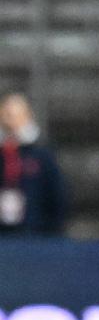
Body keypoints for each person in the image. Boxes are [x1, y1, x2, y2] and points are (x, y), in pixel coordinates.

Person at [0, 91, 68, 236]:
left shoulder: (42, 154)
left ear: (27, 116)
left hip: (34, 234)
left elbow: (57, 196)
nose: (10, 121)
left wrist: (52, 233)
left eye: (15, 115)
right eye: (7, 115)